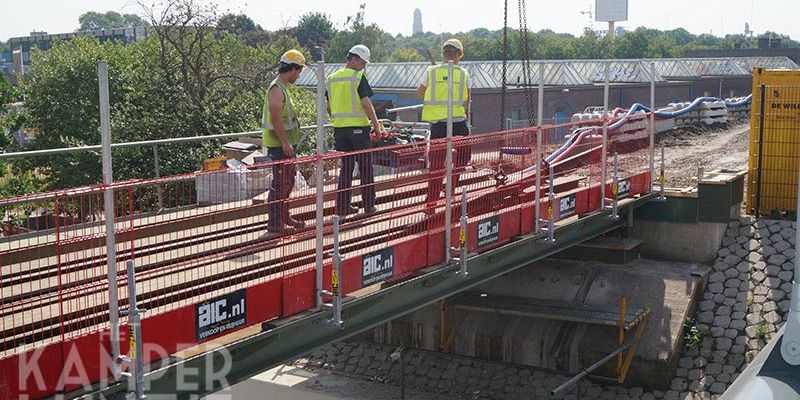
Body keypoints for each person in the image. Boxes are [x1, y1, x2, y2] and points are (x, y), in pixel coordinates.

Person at [326, 44, 385, 217]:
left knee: (346, 168)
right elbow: (366, 103)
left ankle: (343, 208)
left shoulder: (331, 78)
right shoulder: (358, 76)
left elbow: (329, 106)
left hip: (340, 130)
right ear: (354, 59)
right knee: (366, 168)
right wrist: (376, 126)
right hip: (359, 128)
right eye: (363, 62)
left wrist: (338, 120)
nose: (364, 66)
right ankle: (369, 206)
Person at [417, 38, 472, 210]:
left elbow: (419, 94)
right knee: (464, 156)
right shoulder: (463, 74)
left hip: (439, 125)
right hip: (458, 123)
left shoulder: (431, 72)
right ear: (458, 55)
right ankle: (451, 187)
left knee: (436, 164)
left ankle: (431, 202)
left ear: (444, 54)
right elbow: (466, 100)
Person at [263, 49, 307, 233]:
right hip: (280, 145)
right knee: (280, 184)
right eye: (299, 71)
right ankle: (275, 224)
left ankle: (283, 216)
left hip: (285, 144)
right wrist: (285, 142)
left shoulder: (283, 89)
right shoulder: (277, 89)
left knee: (288, 182)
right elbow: (275, 117)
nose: (299, 75)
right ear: (293, 69)